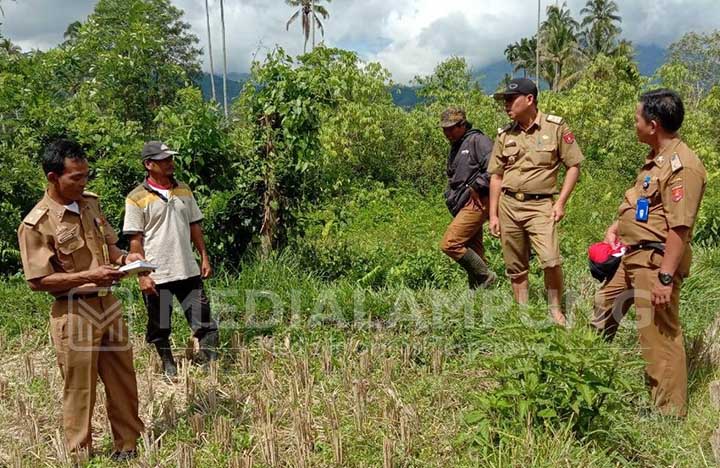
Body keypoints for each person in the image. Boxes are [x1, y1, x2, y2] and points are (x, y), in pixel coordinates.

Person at [17, 138, 144, 461]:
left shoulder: (90, 204)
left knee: (123, 380)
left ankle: (127, 446)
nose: (83, 182)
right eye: (75, 177)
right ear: (52, 177)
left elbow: (111, 248)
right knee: (79, 389)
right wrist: (89, 277)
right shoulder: (37, 223)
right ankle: (79, 455)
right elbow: (38, 280)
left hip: (108, 304)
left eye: (86, 175)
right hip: (74, 313)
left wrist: (127, 260)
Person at [592, 89, 706, 417]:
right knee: (601, 314)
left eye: (637, 118)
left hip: (656, 263)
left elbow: (679, 228)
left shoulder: (681, 165)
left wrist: (665, 277)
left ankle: (668, 415)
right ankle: (584, 378)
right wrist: (618, 226)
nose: (634, 123)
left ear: (653, 124)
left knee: (658, 338)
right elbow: (645, 206)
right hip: (632, 258)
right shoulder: (654, 161)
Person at [488, 78, 584, 325]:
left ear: (529, 99)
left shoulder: (555, 127)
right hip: (509, 205)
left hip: (541, 205)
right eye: (504, 101)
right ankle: (523, 314)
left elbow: (573, 166)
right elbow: (496, 176)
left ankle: (555, 310)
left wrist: (561, 202)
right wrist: (493, 215)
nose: (506, 105)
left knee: (551, 259)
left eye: (511, 99)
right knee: (515, 265)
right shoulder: (505, 135)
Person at [123, 141, 219, 378]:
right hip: (158, 273)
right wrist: (142, 275)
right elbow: (135, 241)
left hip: (187, 269)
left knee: (203, 320)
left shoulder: (184, 190)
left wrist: (204, 257)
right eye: (164, 160)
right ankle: (168, 363)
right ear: (148, 164)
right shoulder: (135, 198)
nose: (170, 164)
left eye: (170, 159)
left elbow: (195, 226)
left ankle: (209, 365)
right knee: (160, 324)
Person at [439, 107, 497, 288]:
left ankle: (485, 276)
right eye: (444, 129)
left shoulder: (478, 141)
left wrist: (476, 186)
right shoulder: (456, 145)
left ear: (462, 124)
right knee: (474, 250)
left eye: (451, 128)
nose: (447, 132)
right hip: (462, 203)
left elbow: (495, 168)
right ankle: (479, 297)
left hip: (477, 202)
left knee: (450, 243)